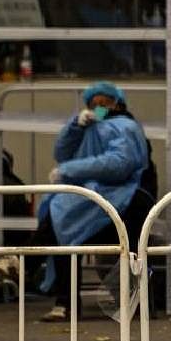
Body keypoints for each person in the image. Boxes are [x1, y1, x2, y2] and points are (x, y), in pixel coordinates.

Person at [30, 81, 152, 321]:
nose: (99, 107)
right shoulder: (89, 127)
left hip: (122, 199)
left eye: (104, 102)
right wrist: (74, 127)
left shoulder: (125, 127)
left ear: (116, 102)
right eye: (93, 104)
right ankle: (35, 272)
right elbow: (62, 152)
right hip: (94, 201)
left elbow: (119, 164)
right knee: (59, 218)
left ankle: (29, 266)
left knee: (61, 224)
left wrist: (70, 169)